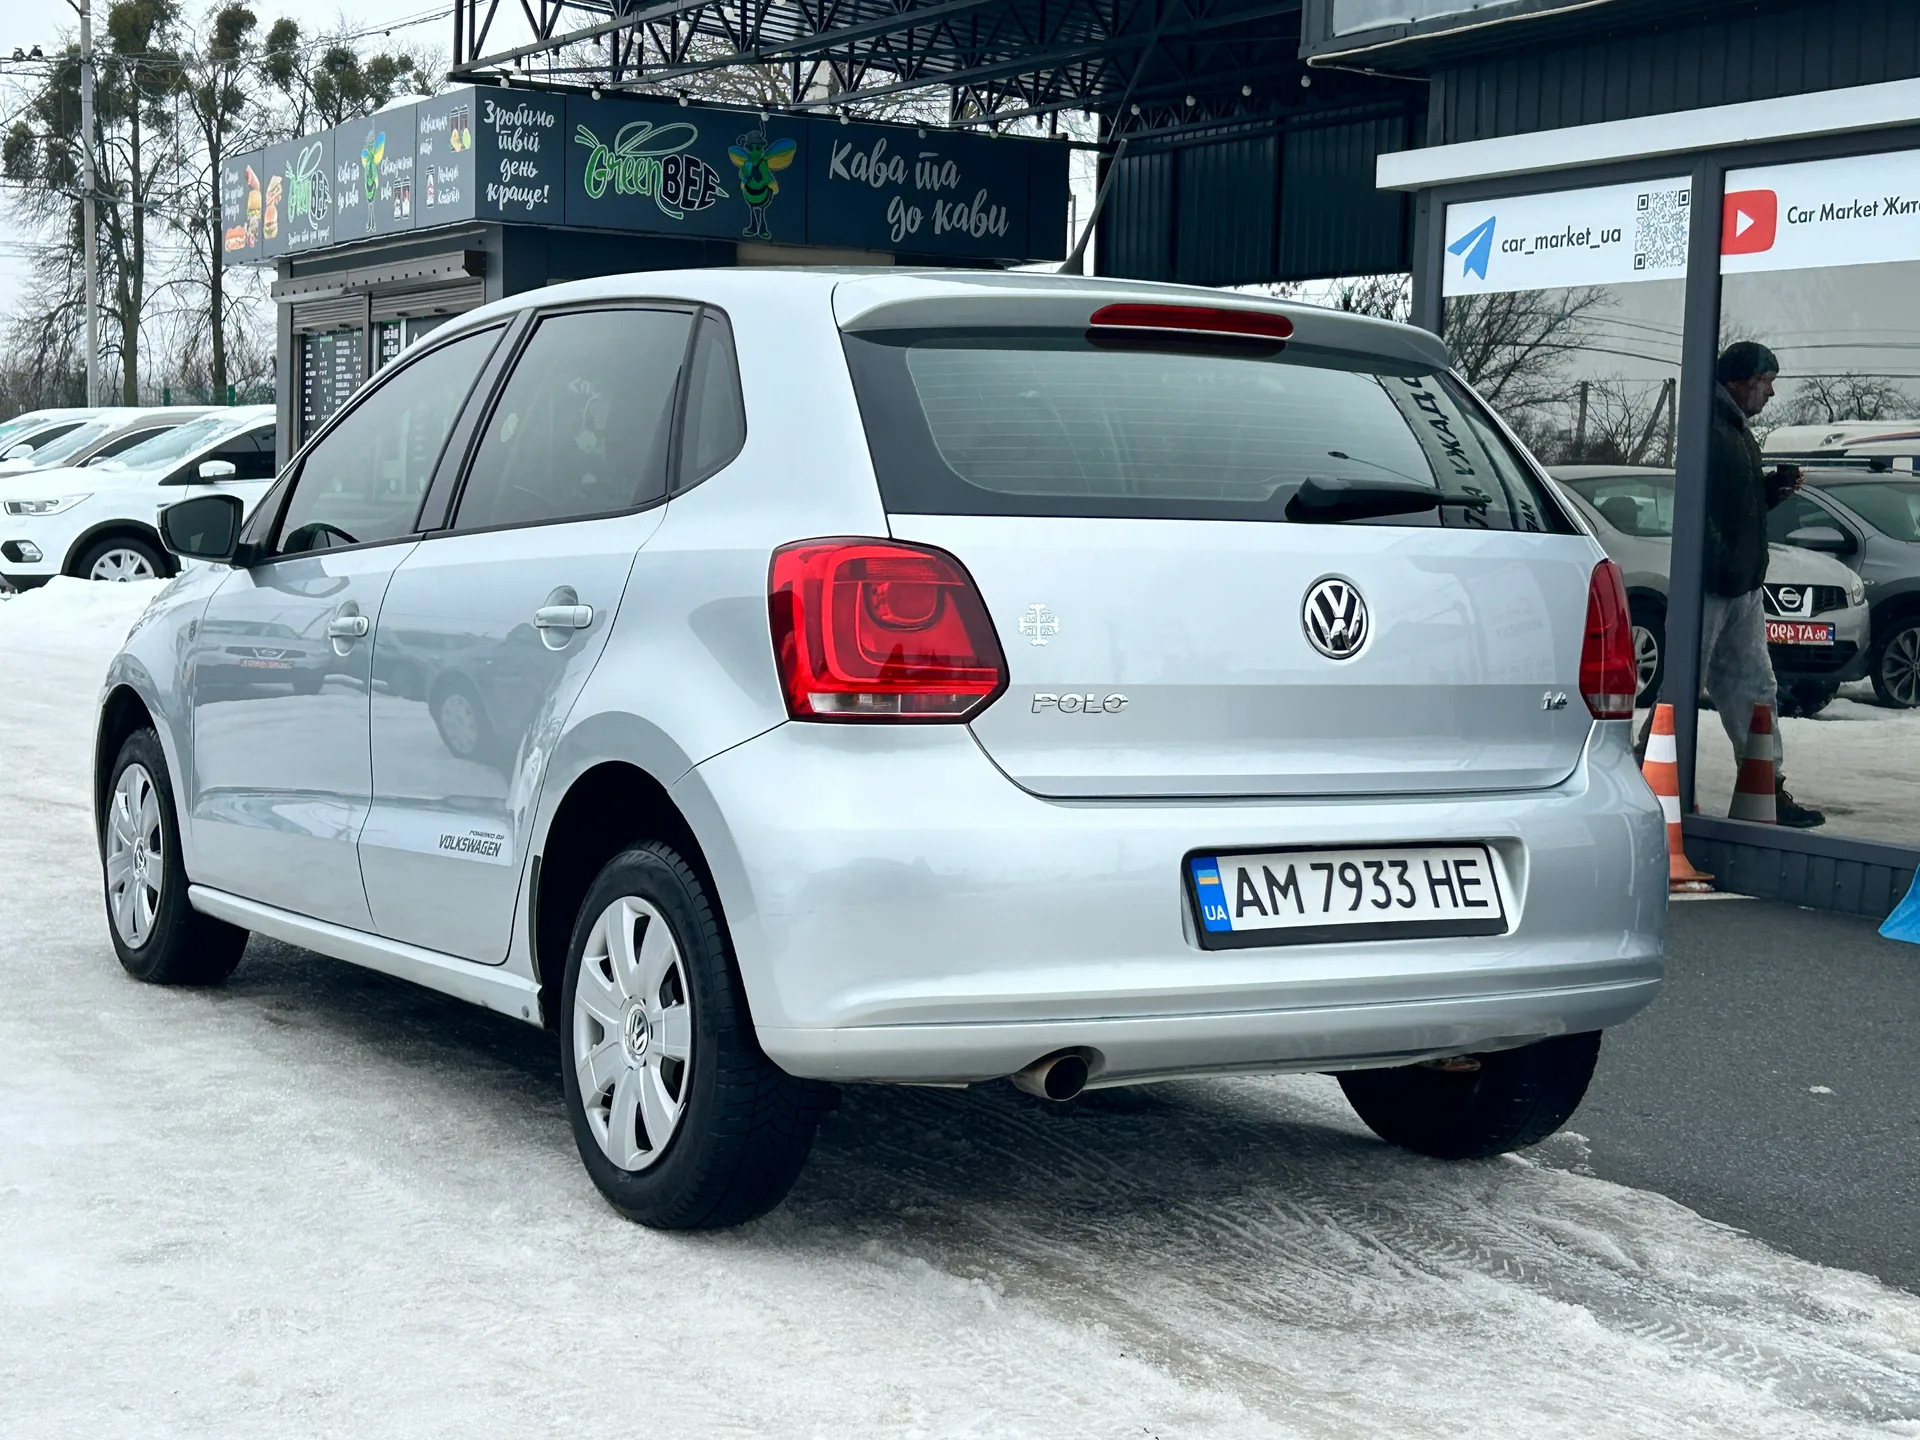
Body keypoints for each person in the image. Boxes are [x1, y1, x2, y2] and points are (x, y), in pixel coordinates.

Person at [1703, 341, 1823, 828]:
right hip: (1714, 583)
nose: (1771, 392)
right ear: (1740, 379)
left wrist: (1768, 491)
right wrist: (1720, 563)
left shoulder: (1735, 431)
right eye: (1766, 381)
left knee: (1756, 685)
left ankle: (1764, 788)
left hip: (1742, 583)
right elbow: (1698, 505)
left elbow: (1734, 506)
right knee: (1683, 685)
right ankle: (1651, 770)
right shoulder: (1707, 426)